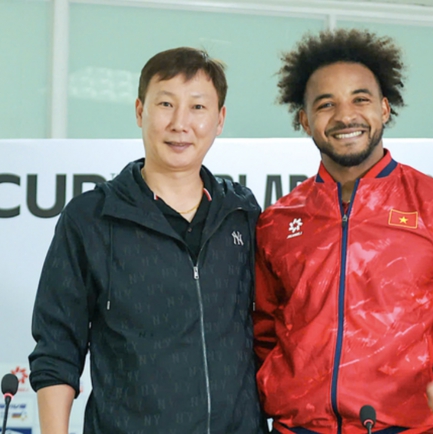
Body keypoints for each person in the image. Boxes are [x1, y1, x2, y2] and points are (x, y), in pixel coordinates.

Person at [253, 29, 433, 433]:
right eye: (326, 104)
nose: (345, 116)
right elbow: (263, 333)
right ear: (304, 119)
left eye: (360, 99)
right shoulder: (277, 222)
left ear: (384, 108)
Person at [29, 47, 263, 434]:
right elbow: (57, 348)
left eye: (197, 107)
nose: (180, 123)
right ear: (140, 111)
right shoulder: (91, 218)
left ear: (220, 119)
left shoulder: (241, 212)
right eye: (166, 104)